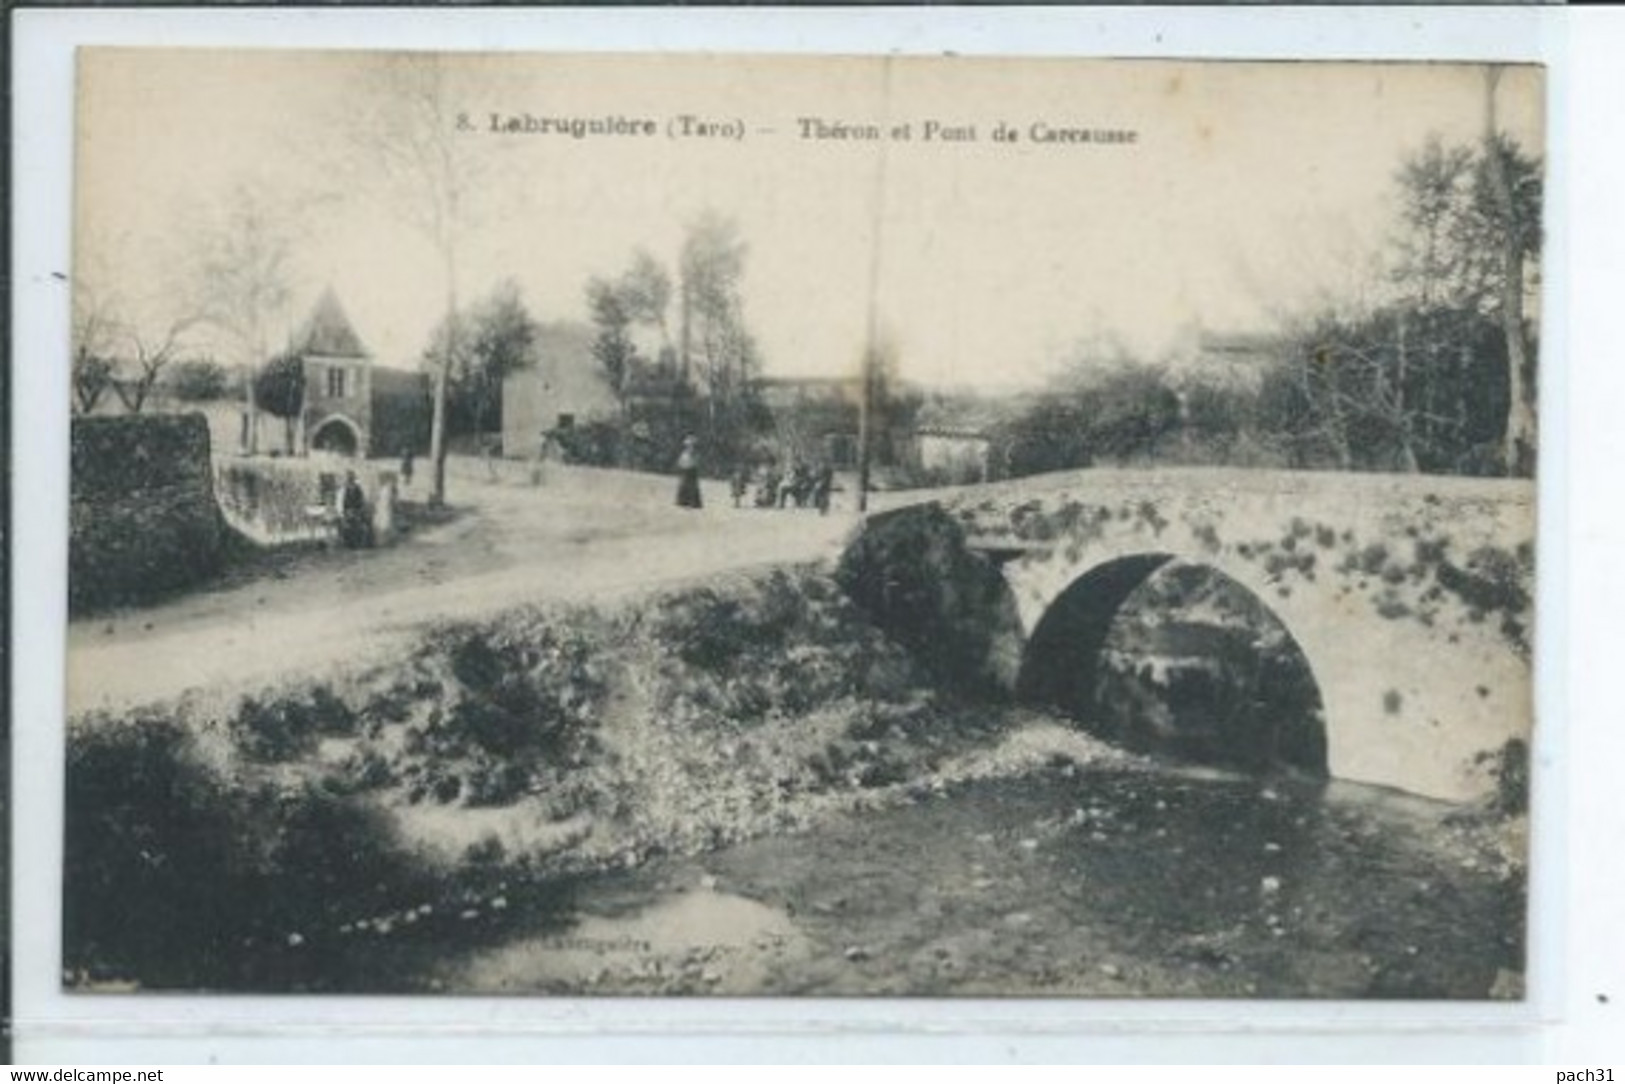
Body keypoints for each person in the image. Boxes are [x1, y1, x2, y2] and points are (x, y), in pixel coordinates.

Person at [339, 470, 373, 549]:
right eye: (348, 478)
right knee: (347, 526)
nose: (349, 480)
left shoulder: (357, 488)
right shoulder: (346, 489)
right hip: (348, 511)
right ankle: (349, 543)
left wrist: (358, 510)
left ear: (353, 478)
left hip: (357, 511)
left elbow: (360, 500)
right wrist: (346, 511)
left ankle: (356, 543)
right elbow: (344, 501)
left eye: (351, 478)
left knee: (357, 527)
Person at [675, 435, 703, 509]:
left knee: (691, 487)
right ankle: (683, 501)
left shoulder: (694, 453)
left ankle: (691, 502)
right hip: (686, 469)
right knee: (684, 484)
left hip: (691, 469)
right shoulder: (685, 453)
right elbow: (681, 461)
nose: (690, 446)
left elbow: (695, 461)